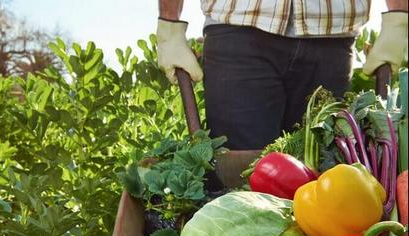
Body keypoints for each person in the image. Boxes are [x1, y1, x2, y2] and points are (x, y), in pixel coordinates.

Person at [157, 0, 408, 150]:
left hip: (331, 35)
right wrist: (169, 24)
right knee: (239, 180)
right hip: (239, 31)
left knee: (323, 171)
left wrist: (398, 17)